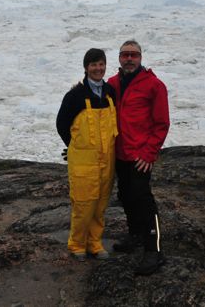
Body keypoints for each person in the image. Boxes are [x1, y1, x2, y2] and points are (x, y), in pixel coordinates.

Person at [107, 39, 170, 275]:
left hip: (140, 155)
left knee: (143, 200)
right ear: (119, 58)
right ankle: (135, 234)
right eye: (125, 55)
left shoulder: (154, 86)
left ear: (141, 58)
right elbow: (91, 95)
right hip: (120, 153)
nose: (129, 59)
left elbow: (162, 123)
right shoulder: (113, 84)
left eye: (134, 54)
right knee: (125, 195)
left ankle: (154, 250)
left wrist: (149, 152)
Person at [56, 48, 119, 262]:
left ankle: (95, 243)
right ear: (86, 67)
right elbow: (62, 124)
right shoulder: (74, 96)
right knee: (83, 205)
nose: (98, 68)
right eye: (93, 65)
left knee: (101, 204)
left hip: (107, 160)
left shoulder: (110, 92)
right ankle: (76, 244)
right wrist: (75, 147)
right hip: (84, 161)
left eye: (101, 64)